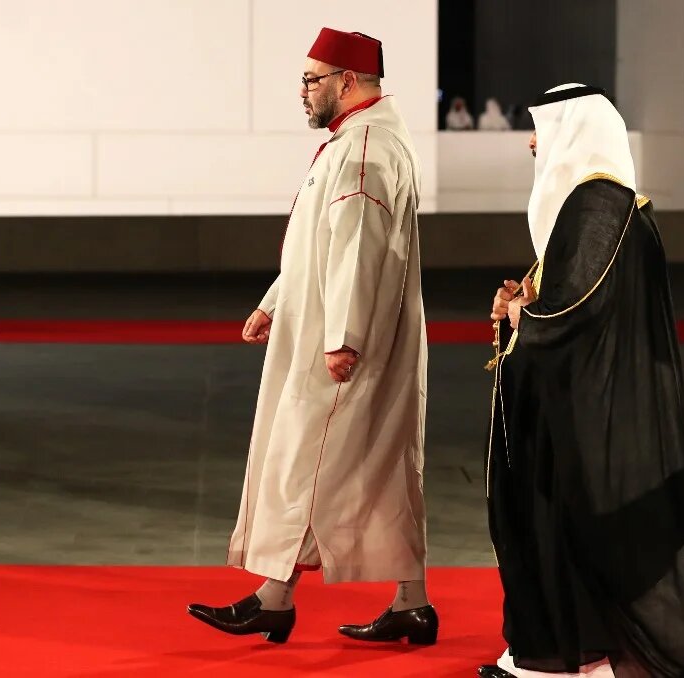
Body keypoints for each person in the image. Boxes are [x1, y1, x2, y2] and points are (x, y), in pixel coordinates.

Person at [187, 27, 437, 646]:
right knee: (379, 466)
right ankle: (412, 602)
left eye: (311, 79)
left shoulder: (364, 150)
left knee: (309, 463)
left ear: (348, 81)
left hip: (346, 342)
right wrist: (275, 302)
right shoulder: (361, 140)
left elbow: (358, 247)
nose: (303, 91)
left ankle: (275, 599)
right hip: (351, 331)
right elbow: (320, 245)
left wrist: (342, 336)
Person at [479, 83, 684, 678]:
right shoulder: (603, 205)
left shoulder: (598, 205)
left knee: (580, 526)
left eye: (541, 127)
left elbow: (574, 313)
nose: (533, 143)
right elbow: (575, 294)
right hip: (596, 400)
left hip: (593, 411)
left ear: (573, 129)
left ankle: (578, 659)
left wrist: (524, 315)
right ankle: (575, 653)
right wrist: (525, 299)